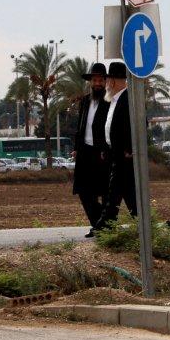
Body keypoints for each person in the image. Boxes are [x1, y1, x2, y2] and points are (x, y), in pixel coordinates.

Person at [95, 62, 137, 228]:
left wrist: (129, 147)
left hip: (124, 154)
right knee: (123, 193)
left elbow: (139, 124)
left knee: (114, 193)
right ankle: (143, 223)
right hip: (115, 153)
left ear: (112, 81)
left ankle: (104, 226)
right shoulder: (114, 99)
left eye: (107, 80)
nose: (105, 83)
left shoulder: (129, 99)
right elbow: (111, 129)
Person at [72, 62, 110, 237]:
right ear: (91, 82)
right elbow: (80, 125)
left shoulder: (110, 100)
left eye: (100, 80)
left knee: (103, 191)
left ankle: (105, 225)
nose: (97, 84)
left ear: (105, 81)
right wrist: (76, 148)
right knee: (84, 191)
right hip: (84, 151)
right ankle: (99, 224)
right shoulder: (86, 100)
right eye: (94, 80)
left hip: (101, 152)